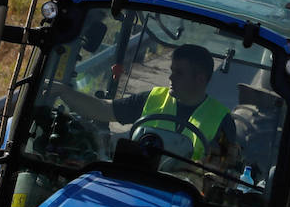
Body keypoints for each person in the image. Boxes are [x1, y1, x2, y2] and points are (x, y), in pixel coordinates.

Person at [52, 44, 238, 171]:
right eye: (171, 71)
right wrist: (63, 91)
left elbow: (221, 169)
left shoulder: (222, 119)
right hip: (135, 182)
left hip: (182, 197)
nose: (171, 78)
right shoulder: (154, 97)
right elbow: (103, 109)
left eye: (179, 73)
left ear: (200, 79)